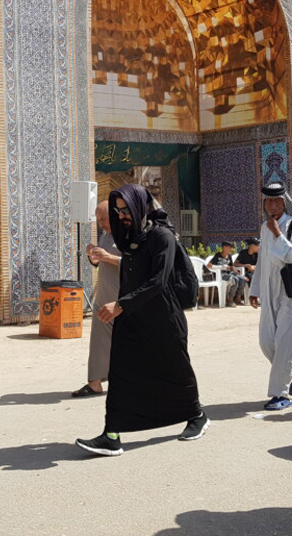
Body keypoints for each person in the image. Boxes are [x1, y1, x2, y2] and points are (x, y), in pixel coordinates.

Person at [76, 184, 209, 456]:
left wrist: (120, 304)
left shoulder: (162, 237)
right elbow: (129, 269)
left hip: (163, 317)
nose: (121, 216)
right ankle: (111, 434)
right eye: (118, 211)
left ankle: (197, 416)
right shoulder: (132, 238)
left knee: (175, 369)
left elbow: (158, 281)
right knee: (122, 372)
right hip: (132, 316)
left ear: (139, 207)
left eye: (126, 210)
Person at [249, 182, 292, 411]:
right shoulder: (263, 226)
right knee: (267, 342)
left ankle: (280, 395)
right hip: (269, 292)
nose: (273, 206)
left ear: (285, 202)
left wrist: (277, 233)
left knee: (284, 344)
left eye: (277, 201)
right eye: (268, 201)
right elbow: (261, 262)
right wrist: (255, 290)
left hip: (291, 292)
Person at [72, 201, 120, 398]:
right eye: (98, 219)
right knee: (98, 339)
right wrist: (94, 257)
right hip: (103, 295)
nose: (100, 223)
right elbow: (102, 263)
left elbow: (137, 264)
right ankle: (95, 383)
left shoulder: (129, 234)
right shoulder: (106, 235)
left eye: (103, 219)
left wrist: (107, 256)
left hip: (122, 298)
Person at [207, 241, 245, 307]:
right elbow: (209, 265)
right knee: (234, 280)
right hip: (221, 275)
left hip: (229, 273)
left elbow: (231, 266)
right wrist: (222, 267)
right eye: (230, 247)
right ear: (224, 247)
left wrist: (236, 271)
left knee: (243, 279)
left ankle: (238, 297)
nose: (232, 249)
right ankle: (230, 300)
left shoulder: (229, 256)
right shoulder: (217, 255)